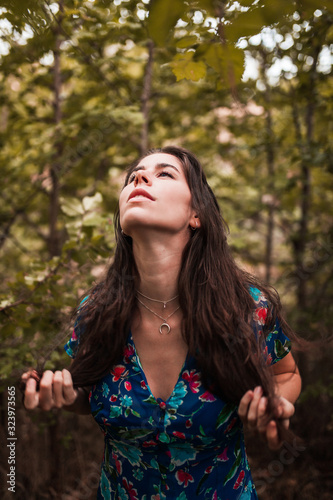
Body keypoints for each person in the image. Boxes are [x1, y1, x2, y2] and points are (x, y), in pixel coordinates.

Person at [22, 146, 302, 499]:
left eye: (164, 173)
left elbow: (287, 375)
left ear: (196, 214)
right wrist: (62, 395)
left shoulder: (247, 307)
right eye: (133, 176)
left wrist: (277, 402)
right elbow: (89, 396)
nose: (139, 178)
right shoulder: (95, 312)